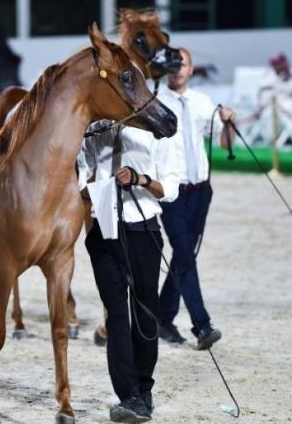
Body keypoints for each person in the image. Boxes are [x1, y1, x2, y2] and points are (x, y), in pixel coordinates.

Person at [79, 123, 182, 422]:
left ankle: (144, 388)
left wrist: (141, 179)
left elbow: (171, 188)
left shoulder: (155, 129)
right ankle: (128, 395)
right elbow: (81, 172)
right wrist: (86, 187)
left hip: (143, 228)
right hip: (103, 231)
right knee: (116, 315)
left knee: (145, 311)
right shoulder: (96, 130)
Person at [155, 47, 237, 350]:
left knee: (184, 255)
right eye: (174, 64)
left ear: (191, 69)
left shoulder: (203, 102)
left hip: (201, 189)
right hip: (172, 190)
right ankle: (202, 325)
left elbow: (225, 143)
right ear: (166, 68)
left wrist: (230, 123)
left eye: (184, 64)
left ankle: (162, 317)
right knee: (185, 252)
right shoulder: (156, 102)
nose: (178, 69)